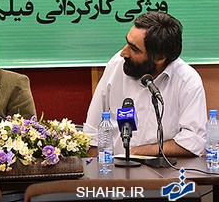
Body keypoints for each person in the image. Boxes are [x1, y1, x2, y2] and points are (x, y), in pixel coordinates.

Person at [85, 11, 207, 157]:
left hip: (163, 169)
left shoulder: (187, 81)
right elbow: (92, 132)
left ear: (160, 58)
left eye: (134, 49)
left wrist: (136, 153)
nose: (123, 53)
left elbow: (193, 142)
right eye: (127, 42)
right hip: (114, 168)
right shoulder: (117, 64)